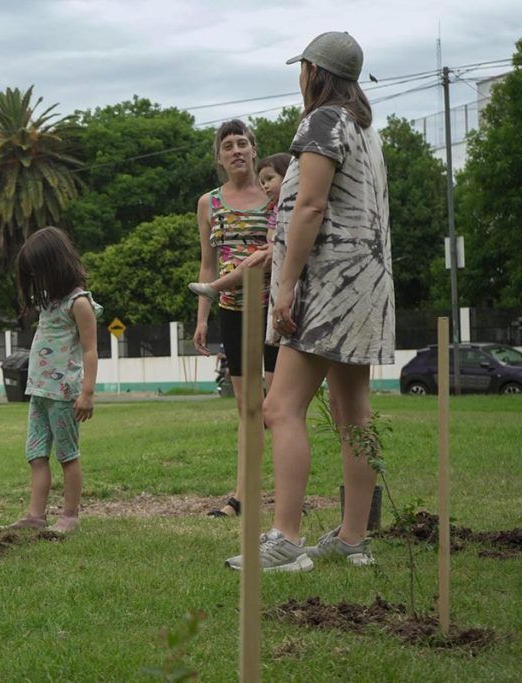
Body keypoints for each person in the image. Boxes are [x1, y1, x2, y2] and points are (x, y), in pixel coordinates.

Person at [226, 32, 394, 572]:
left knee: (280, 407)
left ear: (313, 72)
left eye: (301, 68)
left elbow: (309, 207)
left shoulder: (322, 121)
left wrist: (285, 283)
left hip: (329, 284)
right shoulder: (363, 126)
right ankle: (351, 539)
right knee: (353, 413)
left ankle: (287, 539)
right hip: (367, 281)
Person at [191, 120, 280, 518]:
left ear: (255, 149)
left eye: (242, 142)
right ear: (220, 157)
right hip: (232, 312)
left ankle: (284, 493)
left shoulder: (275, 193)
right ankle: (243, 497)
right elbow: (207, 265)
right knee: (248, 408)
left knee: (276, 406)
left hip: (277, 313)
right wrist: (202, 320)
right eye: (228, 146)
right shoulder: (209, 203)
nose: (236, 150)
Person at [2, 227, 101, 534]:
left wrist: (87, 392)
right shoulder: (47, 302)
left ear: (55, 266)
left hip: (63, 394)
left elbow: (90, 349)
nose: (36, 281)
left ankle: (70, 515)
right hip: (39, 393)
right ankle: (35, 515)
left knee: (67, 455)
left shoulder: (79, 303)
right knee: (36, 455)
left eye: (39, 273)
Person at [188, 153, 292, 302]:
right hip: (232, 301)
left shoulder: (294, 206)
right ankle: (214, 288)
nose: (266, 186)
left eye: (270, 179)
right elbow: (207, 265)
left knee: (251, 263)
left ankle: (215, 287)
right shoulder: (275, 206)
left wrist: (275, 247)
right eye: (262, 182)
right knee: (249, 264)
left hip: (272, 287)